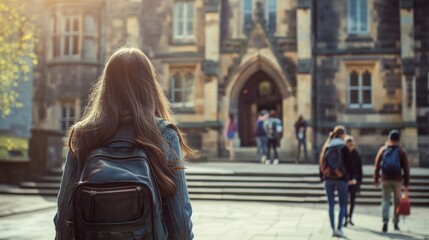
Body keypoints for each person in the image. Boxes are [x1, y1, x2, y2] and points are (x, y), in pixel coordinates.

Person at [53, 47, 194, 239]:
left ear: (107, 85)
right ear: (149, 85)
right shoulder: (163, 133)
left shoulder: (83, 133)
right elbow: (180, 216)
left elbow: (64, 208)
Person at [319, 125, 355, 238]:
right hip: (341, 179)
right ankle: (339, 228)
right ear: (343, 135)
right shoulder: (343, 147)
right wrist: (351, 177)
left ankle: (332, 228)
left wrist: (322, 176)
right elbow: (350, 164)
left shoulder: (328, 145)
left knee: (330, 204)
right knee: (342, 204)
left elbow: (321, 162)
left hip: (328, 178)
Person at [374, 129, 410, 233]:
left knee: (385, 200)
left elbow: (377, 166)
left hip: (385, 179)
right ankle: (396, 223)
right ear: (399, 139)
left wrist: (376, 179)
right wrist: (406, 184)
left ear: (389, 138)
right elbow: (406, 168)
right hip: (397, 180)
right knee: (397, 201)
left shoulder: (383, 150)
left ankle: (385, 221)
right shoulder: (401, 151)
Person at [343, 135, 363, 227]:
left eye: (352, 145)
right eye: (349, 145)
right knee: (344, 201)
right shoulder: (343, 154)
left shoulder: (357, 155)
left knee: (352, 201)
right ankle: (345, 218)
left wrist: (358, 181)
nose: (350, 147)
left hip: (354, 181)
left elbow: (359, 170)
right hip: (345, 180)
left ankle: (350, 217)